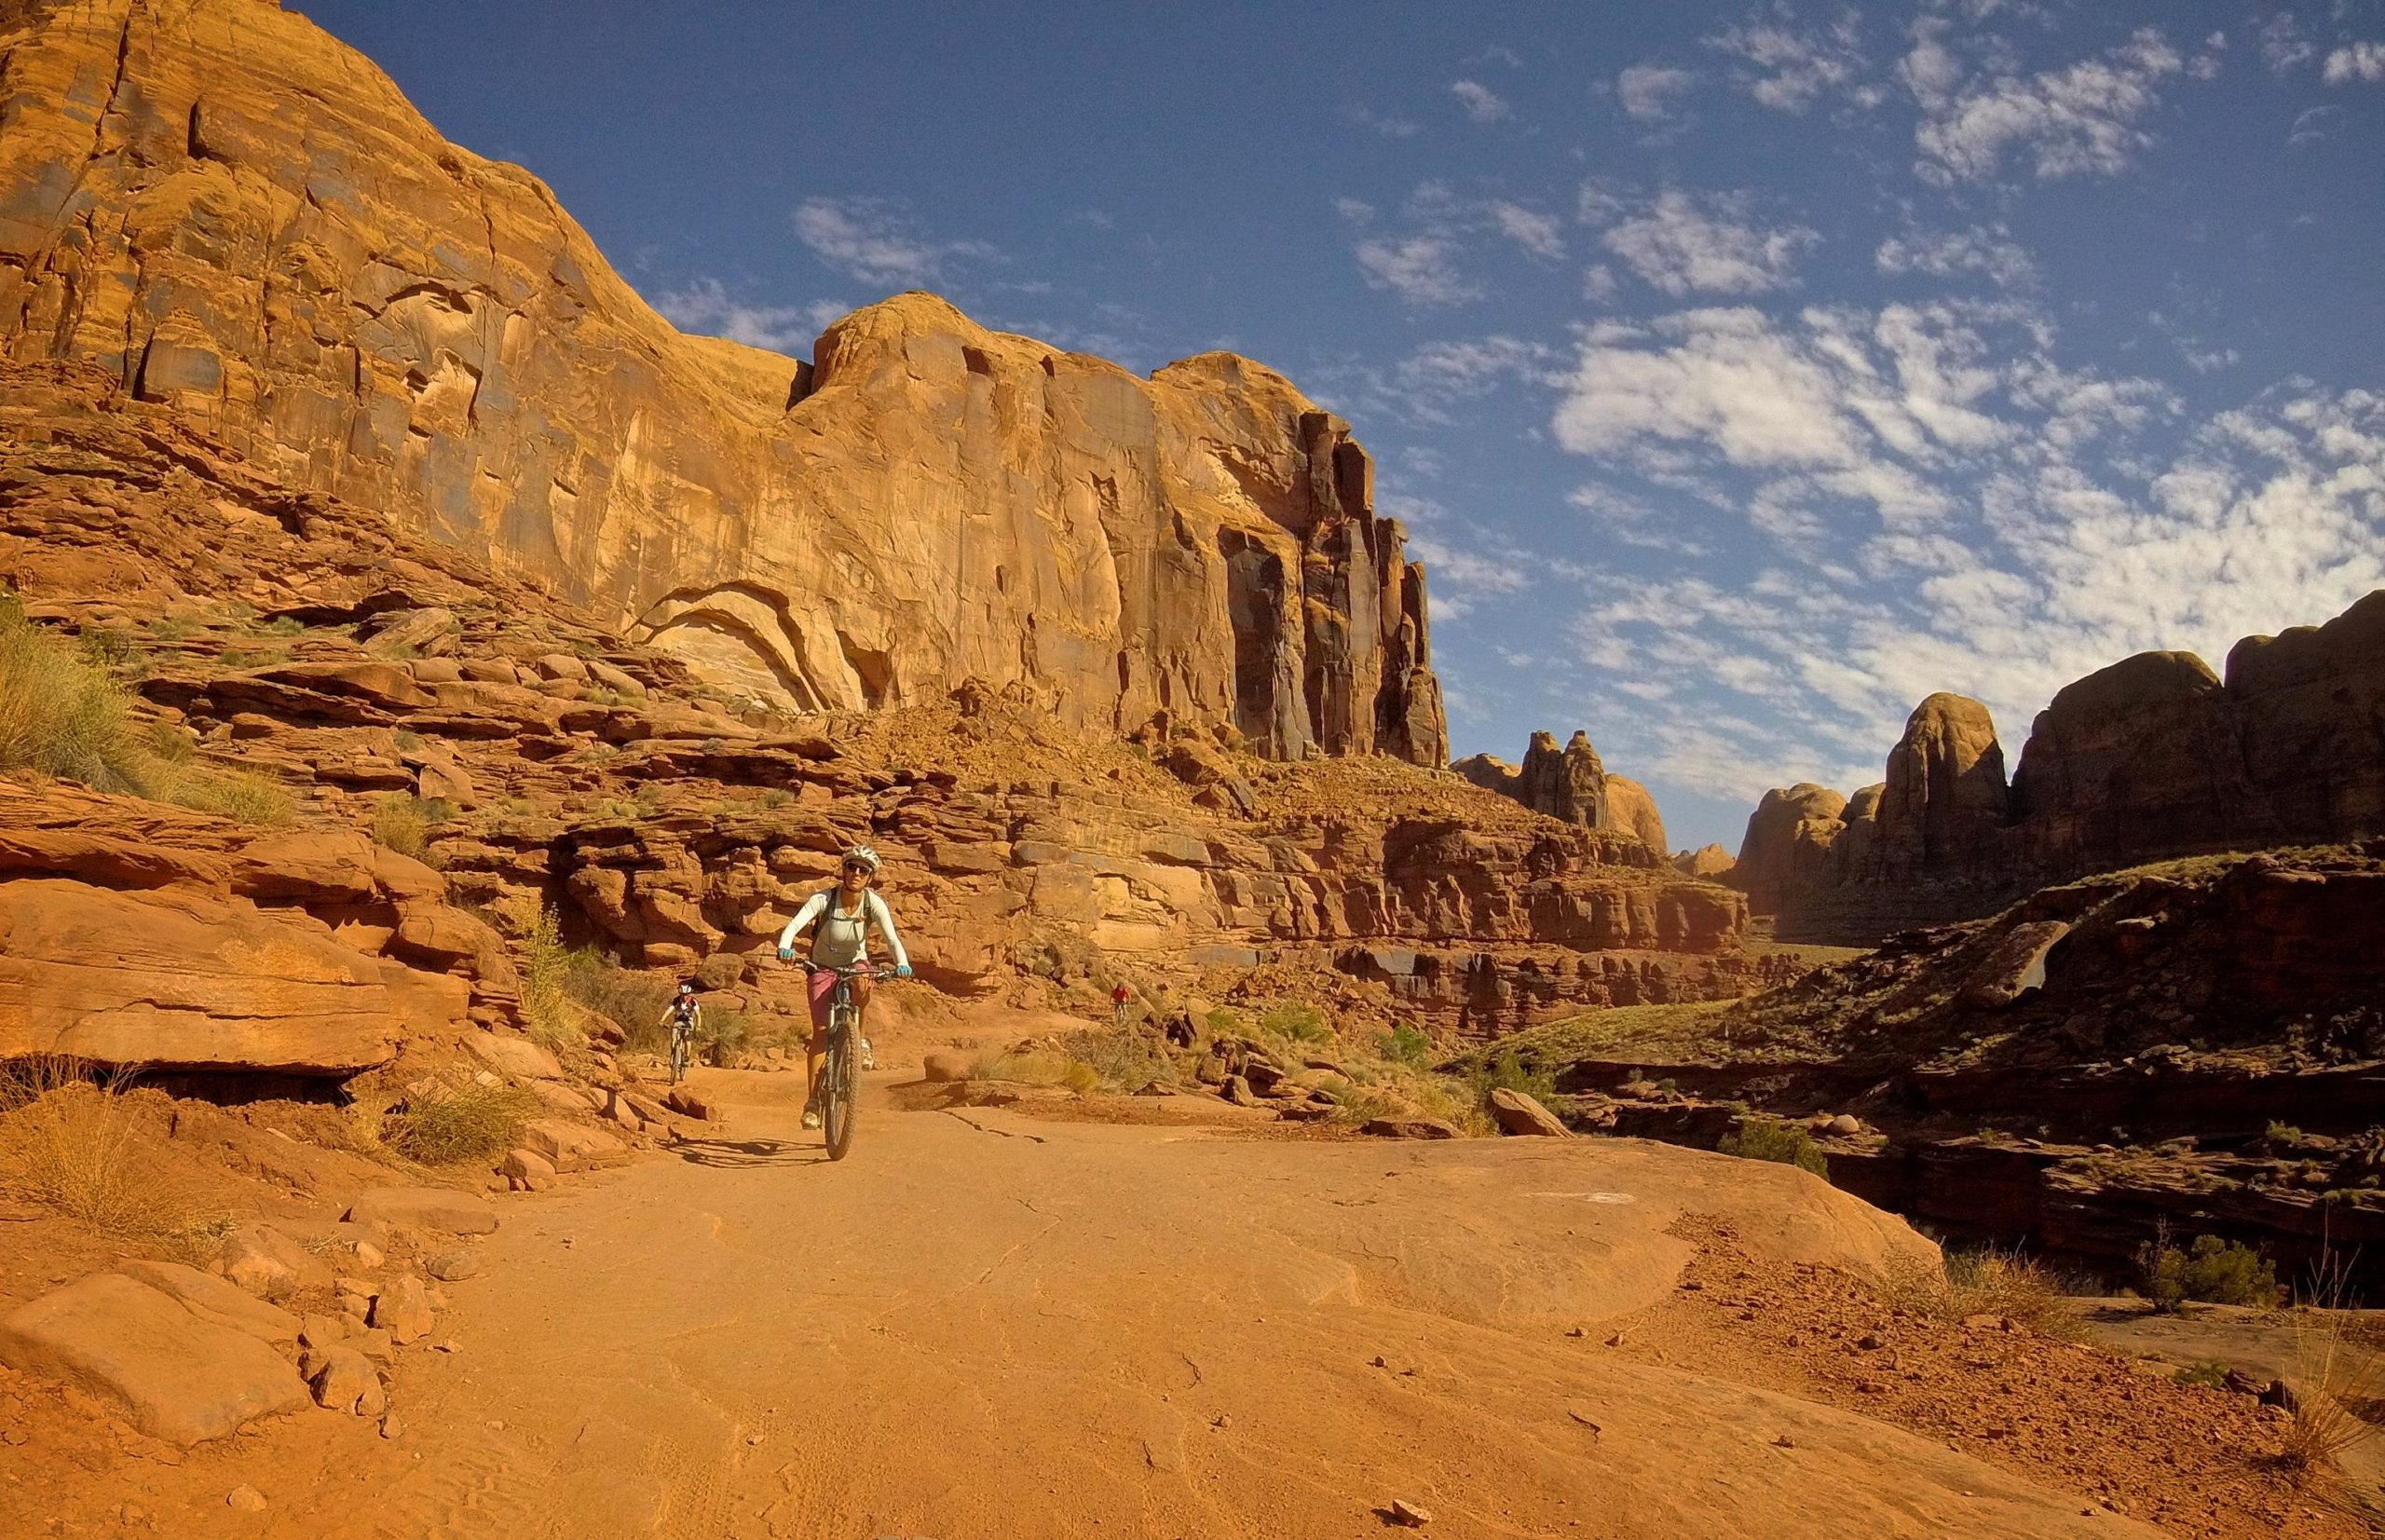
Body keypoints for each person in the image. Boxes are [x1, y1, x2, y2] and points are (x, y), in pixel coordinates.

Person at [776, 843, 912, 1129]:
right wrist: (785, 947)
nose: (856, 873)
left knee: (864, 978)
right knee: (821, 1033)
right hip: (821, 966)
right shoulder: (824, 899)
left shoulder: (873, 903)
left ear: (870, 877)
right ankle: (813, 1102)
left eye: (863, 870)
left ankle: (859, 1040)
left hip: (854, 963)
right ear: (843, 870)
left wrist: (902, 962)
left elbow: (892, 938)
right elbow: (794, 925)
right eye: (852, 866)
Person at [660, 981, 702, 1078]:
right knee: (673, 1038)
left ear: (689, 994)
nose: (684, 996)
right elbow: (669, 1010)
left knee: (687, 1040)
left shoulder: (693, 1001)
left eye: (686, 994)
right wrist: (662, 1020)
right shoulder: (676, 1000)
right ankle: (673, 1054)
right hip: (678, 1021)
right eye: (682, 994)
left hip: (689, 1022)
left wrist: (698, 1026)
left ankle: (686, 1058)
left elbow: (698, 1015)